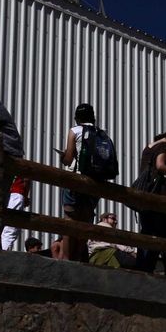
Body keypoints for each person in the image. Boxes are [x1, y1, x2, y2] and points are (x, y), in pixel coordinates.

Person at [58, 103, 115, 262]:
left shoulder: (75, 131)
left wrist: (63, 156)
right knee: (86, 221)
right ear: (93, 117)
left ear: (77, 118)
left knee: (70, 220)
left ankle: (66, 259)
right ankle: (78, 257)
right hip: (95, 185)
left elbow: (68, 159)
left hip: (76, 182)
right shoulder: (102, 134)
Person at [131, 129, 166, 276]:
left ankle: (142, 266)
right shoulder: (164, 146)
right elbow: (160, 165)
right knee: (159, 232)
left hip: (144, 193)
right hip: (155, 195)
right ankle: (149, 268)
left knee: (146, 230)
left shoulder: (150, 146)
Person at [1, 174, 31, 251]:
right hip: (16, 194)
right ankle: (5, 252)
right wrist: (25, 197)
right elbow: (26, 180)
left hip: (7, 194)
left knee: (5, 226)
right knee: (11, 228)